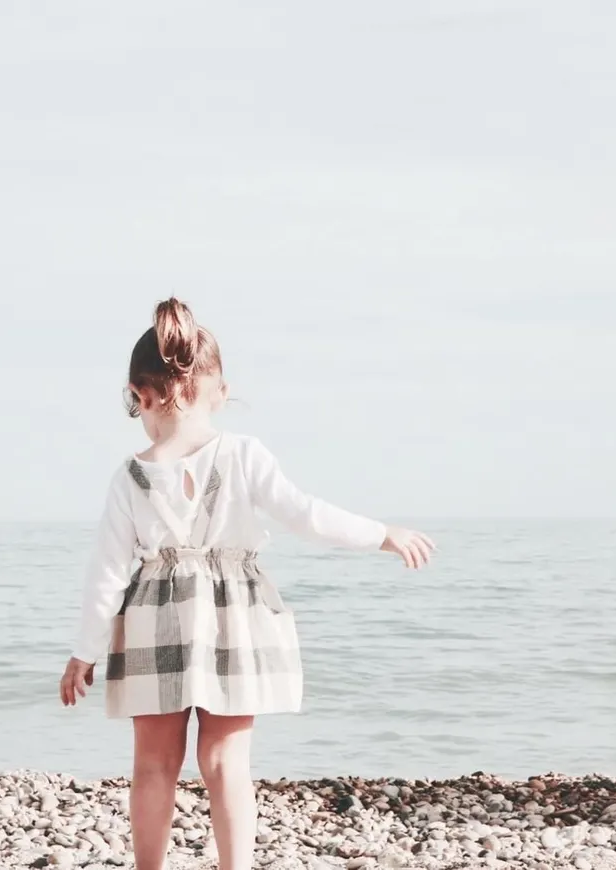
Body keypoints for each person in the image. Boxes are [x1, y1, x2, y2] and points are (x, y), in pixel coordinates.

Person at [59, 297, 435, 870]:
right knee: (226, 761)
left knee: (154, 764)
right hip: (234, 616)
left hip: (152, 618)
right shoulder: (243, 454)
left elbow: (107, 573)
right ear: (220, 389)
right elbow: (305, 515)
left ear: (139, 394)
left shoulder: (129, 477)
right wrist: (380, 534)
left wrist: (84, 653)